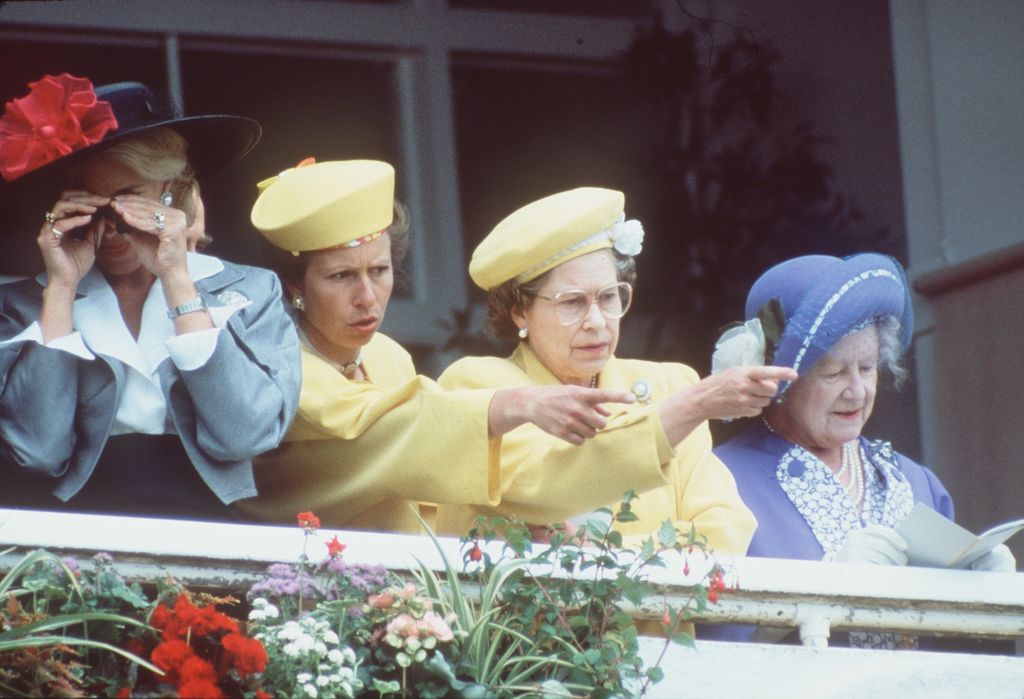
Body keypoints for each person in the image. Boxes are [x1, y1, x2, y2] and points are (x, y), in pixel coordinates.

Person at [236, 159, 636, 533]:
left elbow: (427, 487)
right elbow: (396, 431)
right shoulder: (276, 365)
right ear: (295, 287)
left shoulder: (388, 355)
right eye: (341, 276)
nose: (367, 296)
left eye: (379, 270)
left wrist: (515, 523)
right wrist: (516, 404)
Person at [0, 73, 300, 519]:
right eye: (95, 204)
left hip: (208, 520)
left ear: (172, 192)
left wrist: (177, 277)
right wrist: (61, 289)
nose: (113, 225)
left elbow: (246, 436)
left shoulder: (251, 290)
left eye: (129, 199)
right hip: (77, 527)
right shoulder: (27, 304)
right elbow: (39, 451)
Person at [435, 186, 794, 552]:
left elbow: (725, 529)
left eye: (608, 297)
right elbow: (543, 485)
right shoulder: (478, 386)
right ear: (519, 310)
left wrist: (605, 554)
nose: (596, 321)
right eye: (572, 302)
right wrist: (694, 405)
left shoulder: (671, 383)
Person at [706, 253, 1016, 644]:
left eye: (867, 367)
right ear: (779, 382)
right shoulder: (721, 483)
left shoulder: (915, 481)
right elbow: (711, 649)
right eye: (833, 373)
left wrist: (986, 602)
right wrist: (820, 592)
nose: (857, 391)